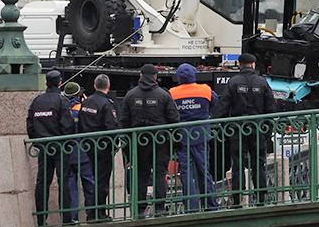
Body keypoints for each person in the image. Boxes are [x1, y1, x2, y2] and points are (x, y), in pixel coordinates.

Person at [213, 53, 277, 206]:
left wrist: (217, 125)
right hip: (257, 128)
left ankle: (237, 199)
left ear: (239, 64)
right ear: (253, 65)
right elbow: (271, 108)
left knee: (237, 164)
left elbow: (223, 106)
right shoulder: (262, 82)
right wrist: (267, 130)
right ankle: (261, 197)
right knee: (258, 163)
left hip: (238, 129)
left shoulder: (233, 82)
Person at [119, 64, 180, 217]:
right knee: (159, 173)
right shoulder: (163, 95)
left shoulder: (130, 95)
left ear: (141, 76)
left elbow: (124, 121)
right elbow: (174, 120)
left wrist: (127, 147)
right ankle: (159, 207)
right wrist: (175, 144)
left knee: (141, 174)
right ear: (155, 77)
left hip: (138, 140)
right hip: (160, 140)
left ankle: (140, 207)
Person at [27, 70, 76, 226]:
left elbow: (30, 125)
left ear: (46, 82)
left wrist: (37, 142)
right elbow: (67, 126)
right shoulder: (62, 101)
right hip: (60, 147)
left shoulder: (37, 101)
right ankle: (66, 219)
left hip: (44, 147)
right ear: (60, 82)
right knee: (64, 182)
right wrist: (68, 143)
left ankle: (41, 219)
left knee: (42, 182)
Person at [170, 63, 219, 212]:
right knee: (204, 169)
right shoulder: (205, 90)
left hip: (183, 137)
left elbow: (171, 113)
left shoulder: (172, 93)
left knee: (186, 171)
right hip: (201, 135)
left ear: (179, 78)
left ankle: (190, 206)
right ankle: (210, 204)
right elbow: (215, 104)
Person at [78, 74, 120, 223]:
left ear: (95, 86)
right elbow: (112, 127)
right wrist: (114, 147)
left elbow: (80, 124)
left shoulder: (86, 102)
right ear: (107, 87)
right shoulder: (107, 104)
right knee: (102, 181)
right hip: (102, 149)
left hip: (86, 146)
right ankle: (99, 213)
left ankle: (91, 212)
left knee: (90, 181)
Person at [61, 81, 94, 224]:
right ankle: (92, 215)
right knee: (89, 184)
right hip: (83, 152)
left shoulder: (63, 109)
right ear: (79, 94)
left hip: (67, 153)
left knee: (70, 188)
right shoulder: (83, 108)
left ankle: (71, 218)